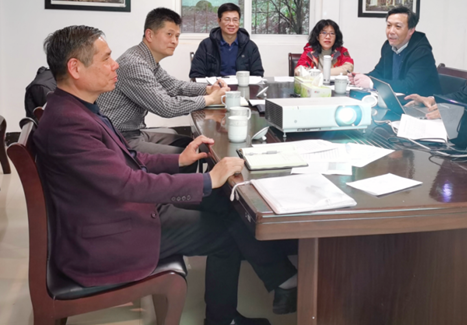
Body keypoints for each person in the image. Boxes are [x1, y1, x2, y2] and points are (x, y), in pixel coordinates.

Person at [34, 25, 298, 325]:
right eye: (106, 58)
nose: (115, 64)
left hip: (112, 214)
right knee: (226, 234)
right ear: (75, 68)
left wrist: (180, 160)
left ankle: (283, 280)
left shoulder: (77, 108)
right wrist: (208, 179)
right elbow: (128, 183)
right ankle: (225, 317)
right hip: (106, 239)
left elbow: (128, 159)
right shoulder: (70, 124)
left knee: (225, 202)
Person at [98, 8, 229, 155]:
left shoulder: (146, 59)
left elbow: (174, 86)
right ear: (150, 35)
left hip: (133, 132)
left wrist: (207, 89)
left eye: (177, 36)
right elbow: (167, 107)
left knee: (189, 143)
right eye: (169, 34)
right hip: (117, 138)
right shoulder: (135, 65)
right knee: (187, 155)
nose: (174, 41)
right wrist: (210, 99)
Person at [349, 6, 440, 96]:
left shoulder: (422, 52)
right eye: (389, 25)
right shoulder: (388, 46)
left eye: (398, 26)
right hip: (395, 100)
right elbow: (379, 72)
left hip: (422, 103)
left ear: (411, 30)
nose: (391, 31)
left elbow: (409, 86)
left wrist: (372, 83)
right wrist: (361, 78)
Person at [190, 3, 264, 79]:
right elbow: (196, 74)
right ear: (219, 21)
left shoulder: (250, 46)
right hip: (215, 86)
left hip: (242, 86)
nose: (231, 24)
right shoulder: (206, 45)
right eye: (227, 19)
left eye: (235, 20)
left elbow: (258, 75)